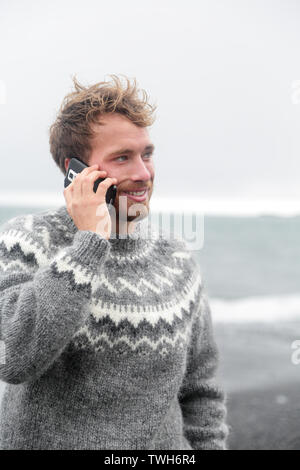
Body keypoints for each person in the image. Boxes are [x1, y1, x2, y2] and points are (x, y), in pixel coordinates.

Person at [0, 74, 229, 450]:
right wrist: (89, 242)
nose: (143, 174)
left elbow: (201, 389)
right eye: (122, 157)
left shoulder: (177, 261)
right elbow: (16, 358)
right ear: (74, 169)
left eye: (147, 154)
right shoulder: (26, 241)